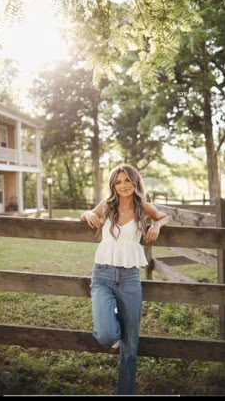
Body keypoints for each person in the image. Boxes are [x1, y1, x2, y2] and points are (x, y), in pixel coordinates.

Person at [80, 163, 169, 395]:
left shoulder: (144, 207)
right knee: (106, 334)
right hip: (103, 275)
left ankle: (125, 391)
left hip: (130, 278)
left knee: (130, 346)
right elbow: (89, 213)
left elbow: (164, 216)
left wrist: (157, 225)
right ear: (113, 185)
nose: (123, 186)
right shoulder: (108, 205)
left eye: (127, 180)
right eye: (118, 182)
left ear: (135, 182)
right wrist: (89, 213)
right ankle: (116, 320)